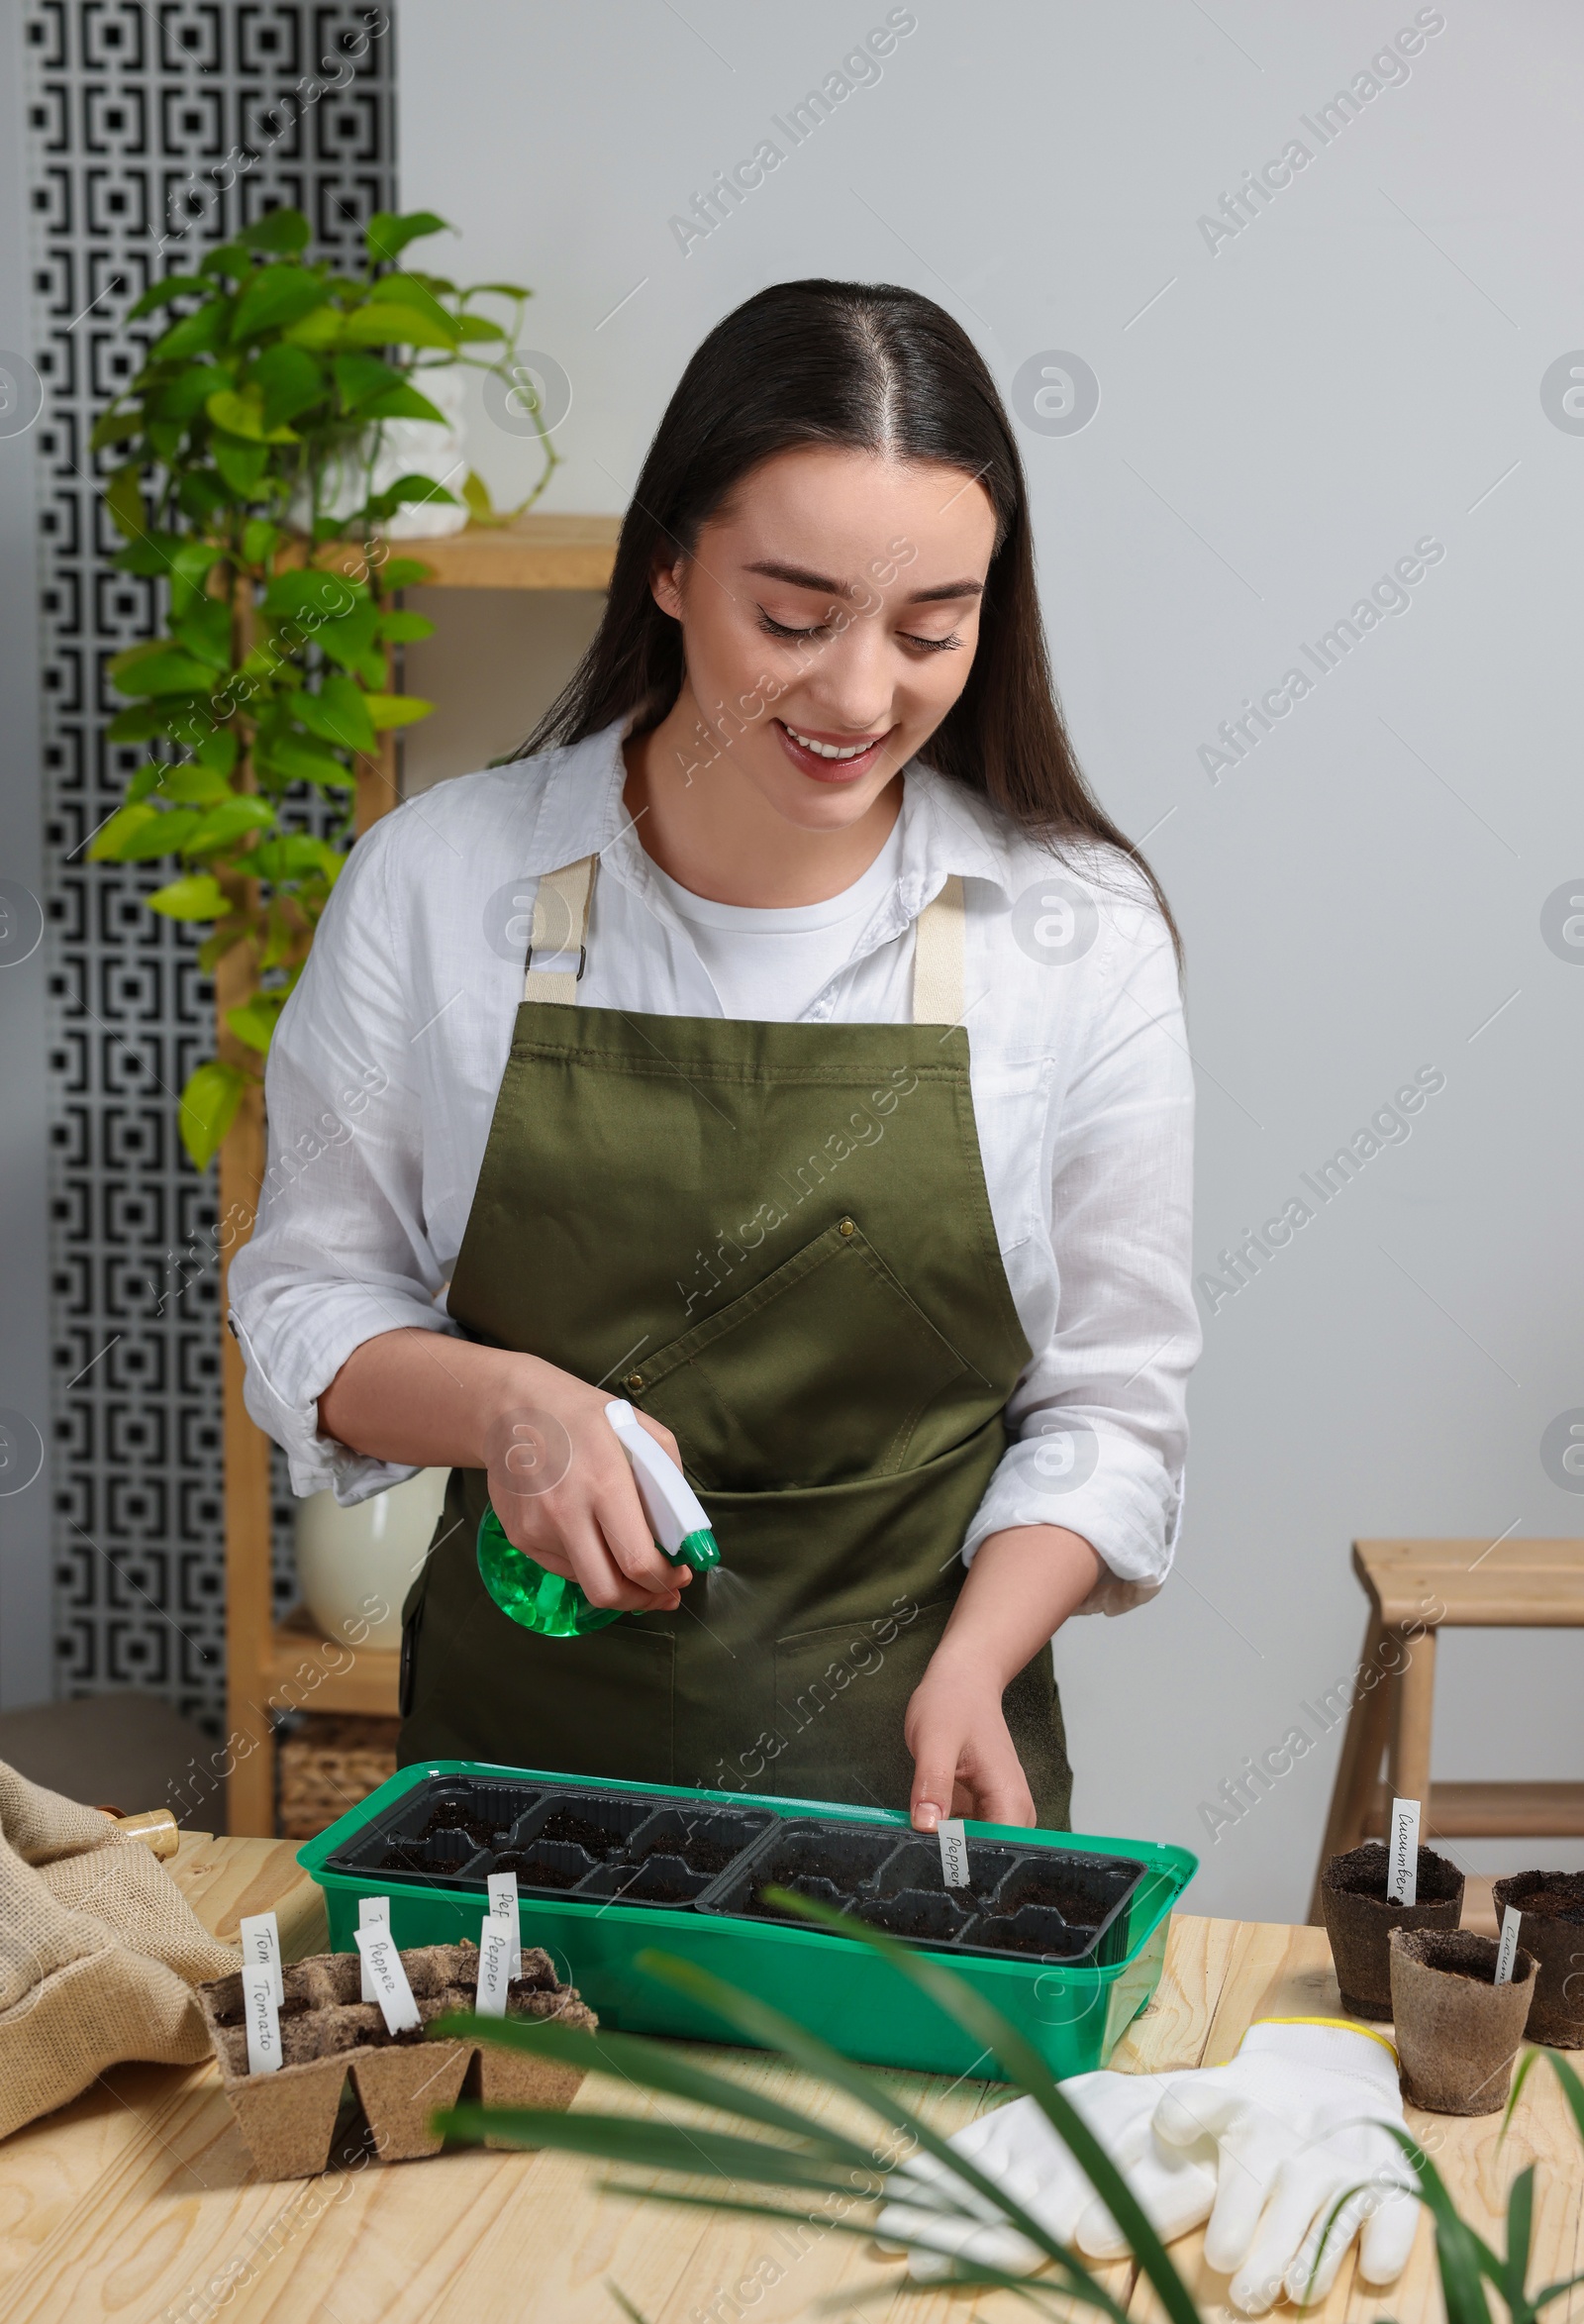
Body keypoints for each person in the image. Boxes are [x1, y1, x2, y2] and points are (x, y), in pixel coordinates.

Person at [230, 279, 1199, 1836]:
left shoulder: (1072, 931)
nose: (861, 695)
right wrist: (509, 1411)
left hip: (913, 1800)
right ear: (671, 567)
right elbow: (307, 1295)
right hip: (510, 1802)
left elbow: (1112, 1410)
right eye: (795, 620)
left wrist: (978, 1659)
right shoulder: (437, 886)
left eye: (931, 629)